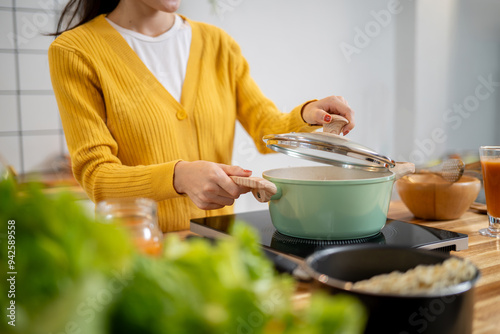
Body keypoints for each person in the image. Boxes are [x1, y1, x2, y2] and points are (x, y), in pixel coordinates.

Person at [48, 0, 355, 232]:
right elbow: (97, 177)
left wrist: (307, 114)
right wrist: (178, 176)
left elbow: (266, 126)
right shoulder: (75, 51)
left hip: (219, 245)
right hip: (141, 255)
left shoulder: (218, 43)